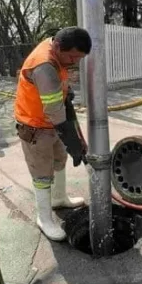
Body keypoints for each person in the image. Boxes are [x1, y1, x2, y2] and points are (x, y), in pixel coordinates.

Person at [14, 27, 90, 241]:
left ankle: (59, 198)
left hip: (51, 123)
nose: (75, 62)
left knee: (59, 160)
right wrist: (74, 143)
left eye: (79, 58)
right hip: (35, 126)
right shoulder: (44, 66)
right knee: (42, 172)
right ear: (57, 46)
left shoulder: (57, 49)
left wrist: (66, 91)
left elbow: (59, 99)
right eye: (72, 57)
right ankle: (44, 218)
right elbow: (55, 112)